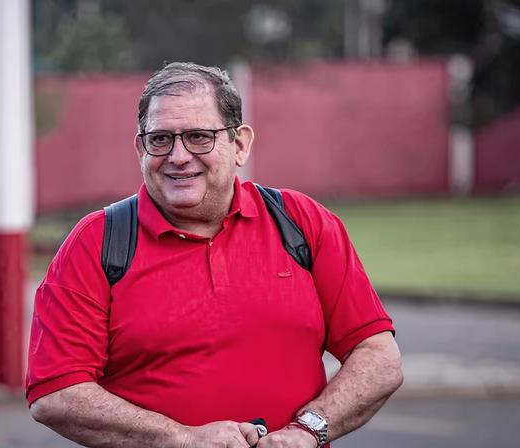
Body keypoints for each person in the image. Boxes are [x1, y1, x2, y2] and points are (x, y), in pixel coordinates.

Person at [27, 62, 403, 448]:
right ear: (140, 148)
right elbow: (56, 392)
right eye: (160, 140)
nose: (177, 156)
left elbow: (378, 356)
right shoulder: (97, 241)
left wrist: (307, 431)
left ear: (239, 144)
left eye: (198, 137)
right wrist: (181, 439)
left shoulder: (302, 223)